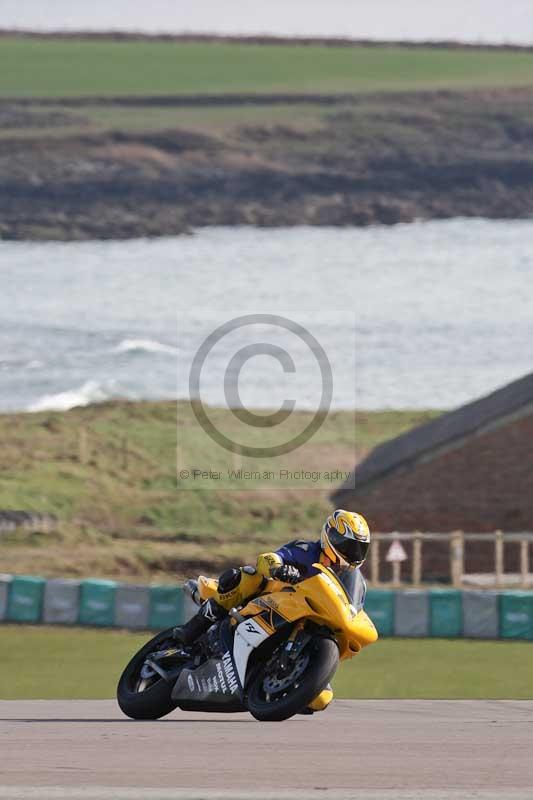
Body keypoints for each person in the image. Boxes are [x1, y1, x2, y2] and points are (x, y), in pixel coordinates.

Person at [173, 508, 370, 646]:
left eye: (359, 549)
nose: (353, 553)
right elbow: (271, 557)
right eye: (348, 546)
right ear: (331, 537)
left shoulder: (349, 576)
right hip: (269, 599)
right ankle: (193, 629)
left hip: (304, 615)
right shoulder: (306, 550)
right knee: (249, 576)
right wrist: (277, 568)